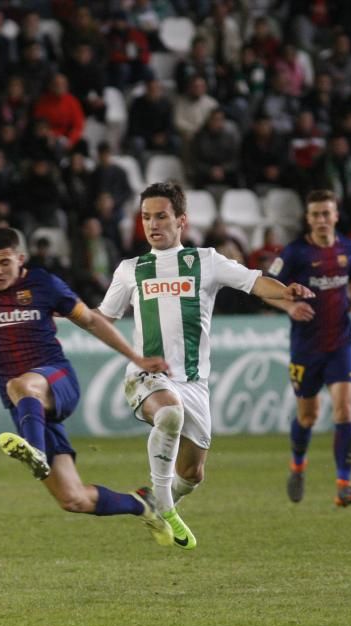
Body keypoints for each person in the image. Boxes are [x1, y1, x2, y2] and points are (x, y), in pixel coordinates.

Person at [97, 183, 315, 546]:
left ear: (182, 220)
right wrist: (66, 315)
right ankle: (164, 509)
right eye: (146, 217)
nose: (153, 224)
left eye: (161, 216)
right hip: (148, 375)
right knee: (168, 414)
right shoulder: (129, 270)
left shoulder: (206, 261)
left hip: (194, 382)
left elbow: (253, 282)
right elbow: (102, 318)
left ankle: (152, 498)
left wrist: (285, 291)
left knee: (193, 473)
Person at [0, 227, 177, 545]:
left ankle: (34, 451)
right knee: (73, 499)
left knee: (20, 384)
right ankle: (141, 503)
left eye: (4, 263)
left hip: (56, 381)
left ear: (20, 259)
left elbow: (91, 321)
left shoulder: (45, 284)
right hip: (27, 409)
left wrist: (137, 357)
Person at [263, 190, 351, 507]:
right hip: (306, 348)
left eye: (327, 213)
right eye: (316, 215)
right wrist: (289, 308)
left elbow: (350, 279)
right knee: (308, 416)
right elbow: (265, 288)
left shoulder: (348, 247)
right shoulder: (295, 254)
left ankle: (344, 485)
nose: (322, 220)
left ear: (336, 216)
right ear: (308, 220)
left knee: (344, 410)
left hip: (340, 343)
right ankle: (298, 465)